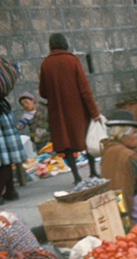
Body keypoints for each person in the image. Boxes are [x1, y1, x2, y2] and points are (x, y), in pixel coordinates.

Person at [38, 33, 100, 184]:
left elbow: (43, 92)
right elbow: (84, 88)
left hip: (58, 112)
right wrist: (94, 112)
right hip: (78, 109)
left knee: (66, 145)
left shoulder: (46, 64)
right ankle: (93, 171)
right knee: (87, 139)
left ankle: (76, 176)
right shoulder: (72, 60)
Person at [0, 63, 25, 204]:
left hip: (1, 115)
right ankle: (10, 190)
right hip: (4, 111)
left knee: (3, 159)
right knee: (6, 157)